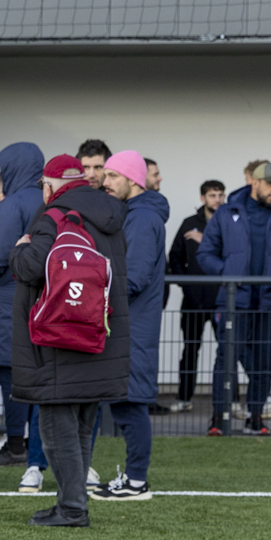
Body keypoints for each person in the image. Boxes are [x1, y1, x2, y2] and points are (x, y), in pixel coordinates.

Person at [8, 155, 129, 527]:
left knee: (56, 428)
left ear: (50, 186)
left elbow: (30, 268)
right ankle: (72, 503)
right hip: (97, 333)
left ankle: (72, 508)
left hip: (59, 337)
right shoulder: (110, 216)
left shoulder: (54, 216)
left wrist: (19, 247)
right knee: (80, 427)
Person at [198, 160, 271, 435]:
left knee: (264, 364)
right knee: (226, 360)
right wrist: (228, 274)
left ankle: (255, 417)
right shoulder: (227, 212)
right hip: (234, 301)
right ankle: (218, 418)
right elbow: (205, 254)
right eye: (270, 184)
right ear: (254, 183)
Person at [93, 150, 169, 501]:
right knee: (125, 403)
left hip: (132, 328)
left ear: (133, 180)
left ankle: (136, 482)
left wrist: (92, 288)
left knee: (131, 404)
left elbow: (133, 279)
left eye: (112, 176)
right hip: (126, 325)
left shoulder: (141, 219)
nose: (104, 181)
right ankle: (133, 478)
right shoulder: (134, 214)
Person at [0, 143, 43, 466]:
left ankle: (15, 446)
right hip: (40, 301)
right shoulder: (47, 200)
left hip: (6, 302)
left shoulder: (11, 204)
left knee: (9, 378)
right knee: (33, 377)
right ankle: (31, 444)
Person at [166, 180, 225, 412]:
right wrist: (186, 284)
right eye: (212, 195)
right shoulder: (189, 224)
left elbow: (235, 253)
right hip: (193, 300)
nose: (217, 200)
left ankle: (230, 401)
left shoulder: (229, 224)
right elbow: (175, 257)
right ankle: (184, 398)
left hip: (222, 299)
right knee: (190, 350)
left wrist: (206, 239)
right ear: (203, 198)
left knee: (227, 351)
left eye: (220, 195)